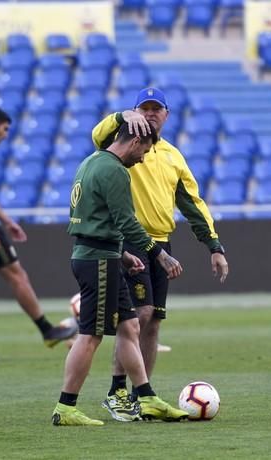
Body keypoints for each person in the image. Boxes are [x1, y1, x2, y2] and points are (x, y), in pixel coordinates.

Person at [91, 87, 229, 420]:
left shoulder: (172, 155)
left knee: (153, 323)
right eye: (144, 108)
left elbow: (192, 203)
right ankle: (118, 391)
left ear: (166, 115)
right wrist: (123, 116)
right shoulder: (123, 144)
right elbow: (97, 136)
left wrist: (213, 245)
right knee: (138, 315)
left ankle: (144, 394)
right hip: (130, 240)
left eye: (157, 109)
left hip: (162, 242)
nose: (150, 114)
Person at [51, 122, 189, 426]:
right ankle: (66, 406)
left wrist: (123, 255)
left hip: (101, 255)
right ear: (135, 140)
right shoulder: (115, 170)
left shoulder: (91, 161)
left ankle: (147, 396)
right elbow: (128, 223)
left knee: (130, 327)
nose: (142, 159)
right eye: (144, 151)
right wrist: (160, 255)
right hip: (98, 260)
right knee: (89, 336)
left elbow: (95, 216)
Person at [0, 107, 77, 362]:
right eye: (5, 129)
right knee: (17, 274)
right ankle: (47, 330)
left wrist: (7, 221)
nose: (6, 134)